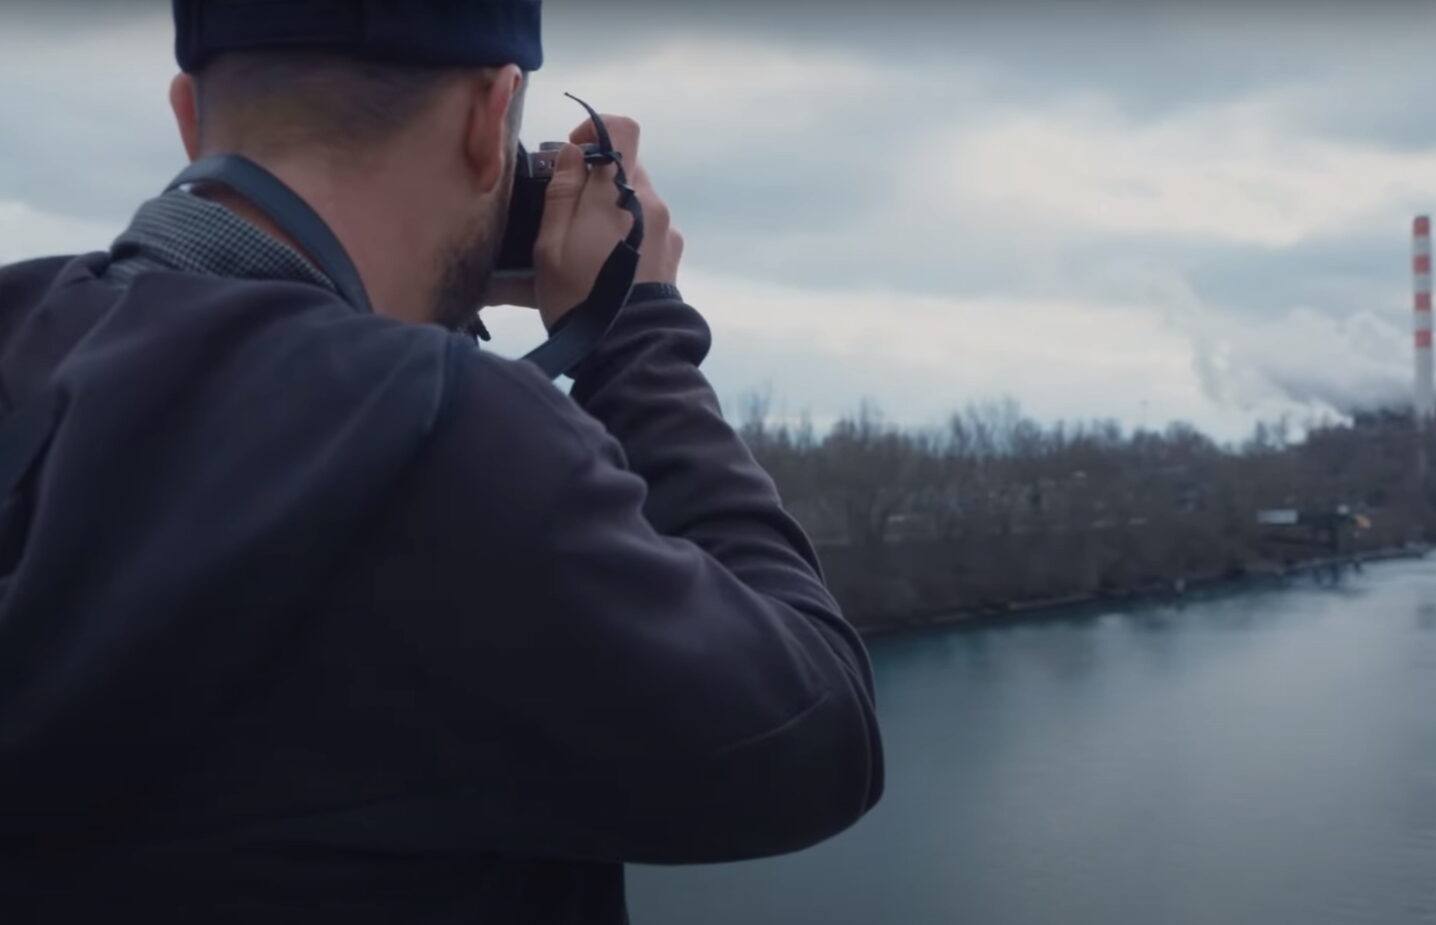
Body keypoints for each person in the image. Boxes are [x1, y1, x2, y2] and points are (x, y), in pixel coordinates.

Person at [0, 1, 883, 921]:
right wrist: (637, 331)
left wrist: (420, 295)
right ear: (485, 120)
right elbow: (815, 735)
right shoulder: (444, 441)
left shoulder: (21, 338)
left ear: (188, 115)